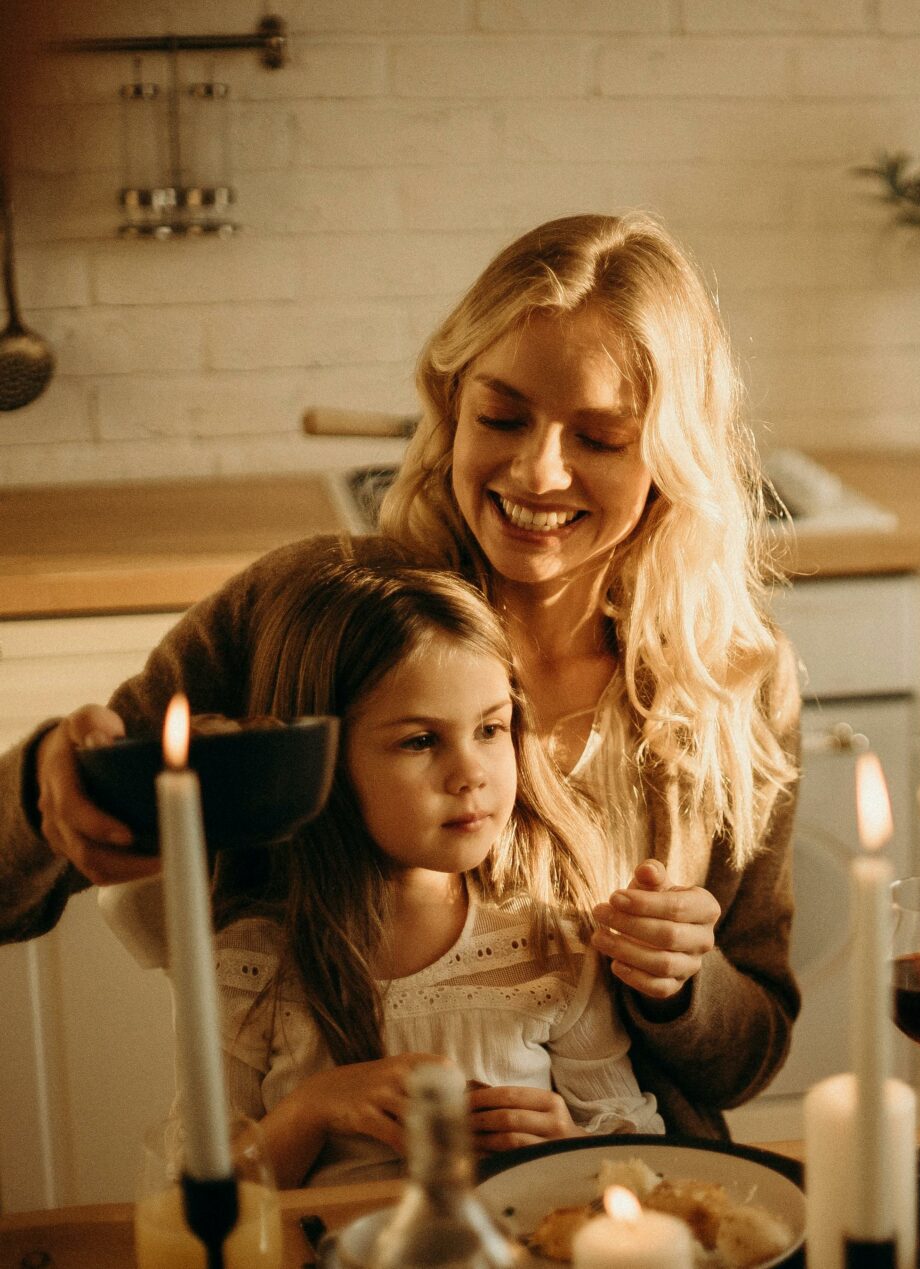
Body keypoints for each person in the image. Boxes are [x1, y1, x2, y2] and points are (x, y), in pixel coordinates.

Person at [0, 213, 801, 1138]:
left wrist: (683, 984)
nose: (540, 470)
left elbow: (749, 1058)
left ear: (671, 455)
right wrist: (46, 788)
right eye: (502, 416)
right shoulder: (317, 615)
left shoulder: (731, 682)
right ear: (451, 403)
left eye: (601, 437)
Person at [208, 559, 664, 1187]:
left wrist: (565, 1146)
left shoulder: (551, 943)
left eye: (490, 729)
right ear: (323, 762)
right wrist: (310, 1110)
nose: (470, 773)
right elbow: (200, 1196)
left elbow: (635, 1147)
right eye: (421, 741)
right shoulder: (253, 962)